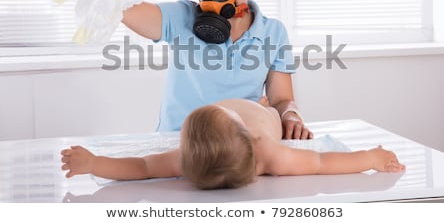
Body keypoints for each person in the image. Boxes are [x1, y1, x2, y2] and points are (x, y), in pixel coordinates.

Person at [64, 0, 312, 140]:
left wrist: (291, 115)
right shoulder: (182, 17)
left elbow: (280, 100)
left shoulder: (273, 33)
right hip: (176, 147)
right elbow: (130, 10)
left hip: (236, 150)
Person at [61, 97, 405, 190]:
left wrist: (95, 164)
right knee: (268, 109)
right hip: (264, 112)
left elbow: (141, 167)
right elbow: (323, 163)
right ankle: (266, 108)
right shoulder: (268, 151)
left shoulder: (188, 158)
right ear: (250, 137)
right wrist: (370, 157)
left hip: (257, 112)